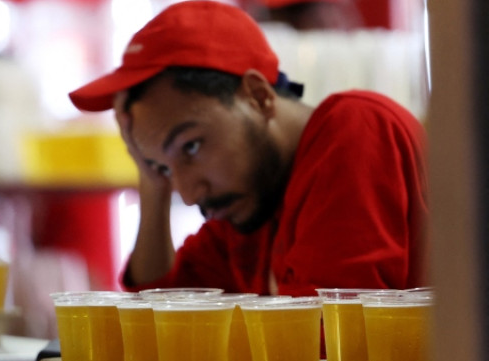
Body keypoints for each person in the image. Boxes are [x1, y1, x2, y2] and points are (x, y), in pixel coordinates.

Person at [68, 1, 428, 299]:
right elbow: (161, 319)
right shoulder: (248, 209)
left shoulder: (354, 130)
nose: (191, 194)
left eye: (191, 146)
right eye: (164, 166)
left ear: (258, 96)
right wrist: (153, 183)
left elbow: (329, 341)